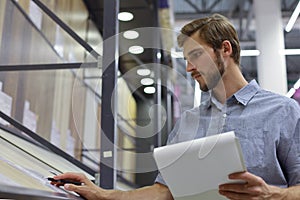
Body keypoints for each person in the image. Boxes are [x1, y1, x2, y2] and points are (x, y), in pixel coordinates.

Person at [52, 14, 300, 199]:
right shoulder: (188, 122)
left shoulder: (283, 111)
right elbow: (164, 192)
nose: (189, 68)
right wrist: (102, 194)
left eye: (195, 55)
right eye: (186, 59)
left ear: (225, 49)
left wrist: (272, 195)